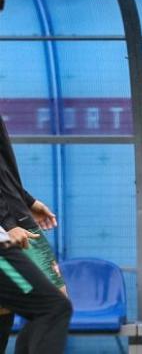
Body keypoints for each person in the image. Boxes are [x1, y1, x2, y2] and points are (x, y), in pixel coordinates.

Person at [0, 112, 72, 353]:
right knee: (52, 305)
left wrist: (25, 199)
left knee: (16, 305)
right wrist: (8, 223)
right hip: (8, 231)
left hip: (14, 216)